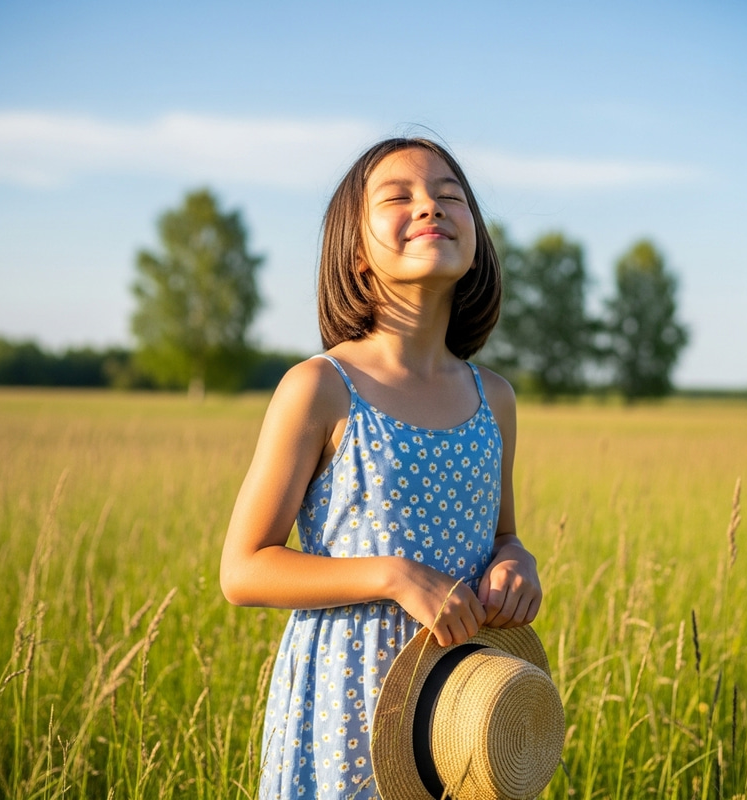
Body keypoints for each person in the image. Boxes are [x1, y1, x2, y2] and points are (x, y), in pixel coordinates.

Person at [219, 137, 542, 800]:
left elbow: (503, 535)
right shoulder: (321, 387)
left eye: (450, 195)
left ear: (475, 239)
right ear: (357, 255)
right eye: (399, 197)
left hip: (459, 709)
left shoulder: (495, 399)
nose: (430, 206)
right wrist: (393, 576)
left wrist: (517, 561)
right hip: (347, 701)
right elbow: (243, 568)